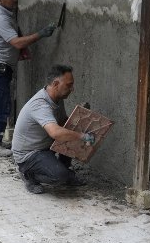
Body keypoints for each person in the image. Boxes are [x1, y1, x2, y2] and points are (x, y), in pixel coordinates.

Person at [0, 0, 57, 157]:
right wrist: (41, 34)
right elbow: (15, 42)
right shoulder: (0, 17)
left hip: (0, 67)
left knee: (1, 104)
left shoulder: (5, 12)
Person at [12, 65, 95, 194]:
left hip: (44, 148)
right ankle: (28, 175)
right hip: (29, 155)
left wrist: (80, 121)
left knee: (70, 134)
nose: (72, 89)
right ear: (56, 84)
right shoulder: (40, 105)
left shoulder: (57, 99)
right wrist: (82, 136)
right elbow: (56, 132)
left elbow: (64, 123)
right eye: (69, 85)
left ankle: (65, 171)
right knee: (60, 176)